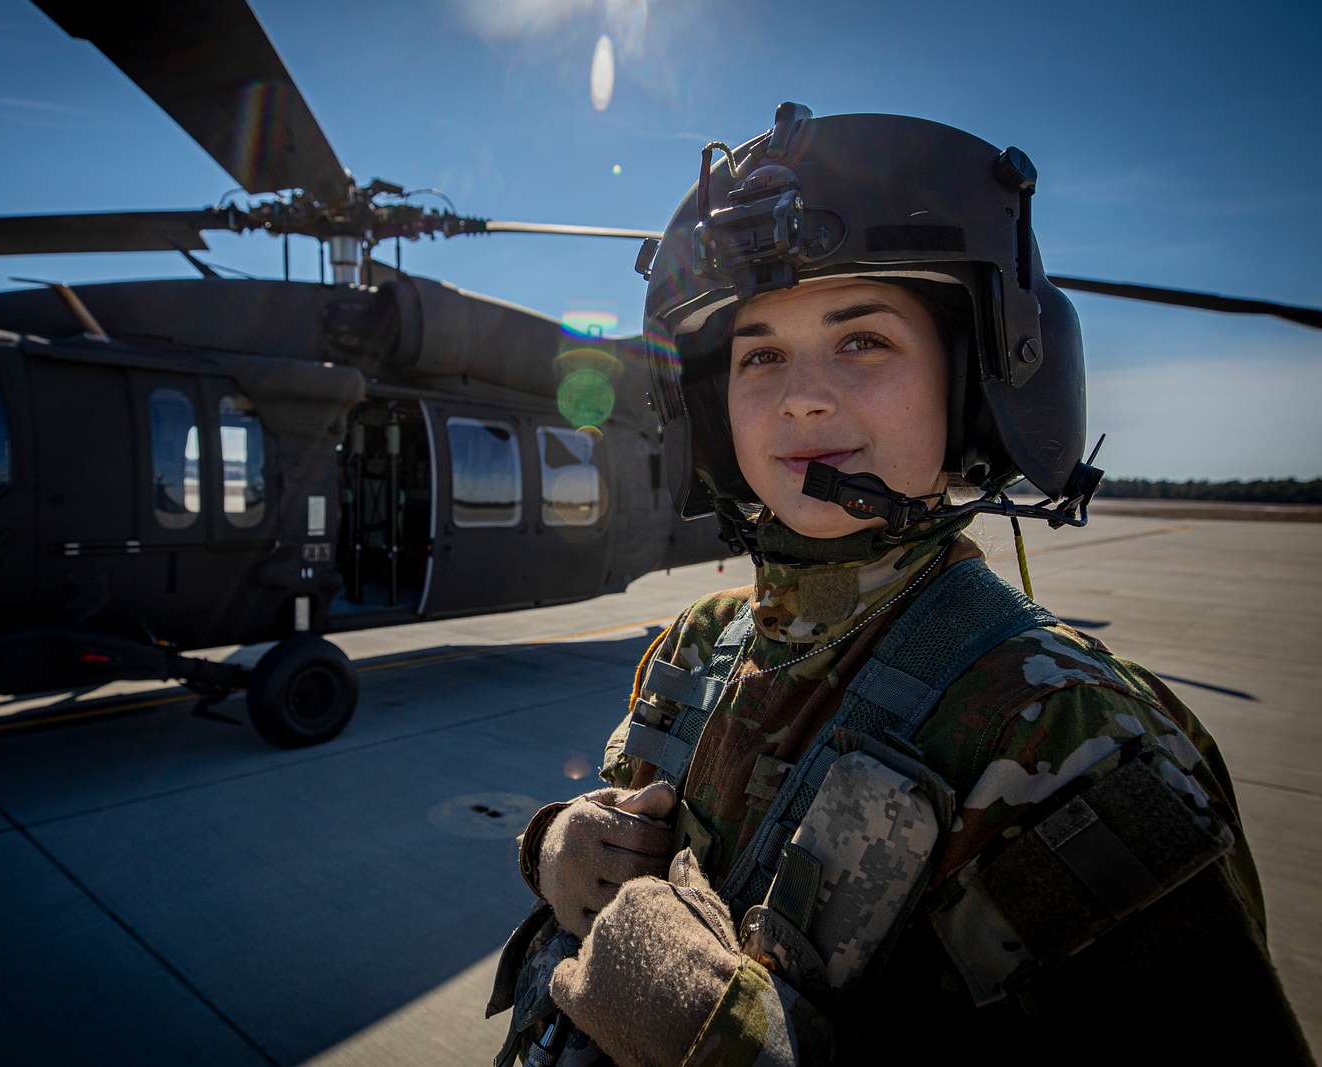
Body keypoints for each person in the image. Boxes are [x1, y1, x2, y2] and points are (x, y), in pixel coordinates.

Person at [488, 104, 1314, 1066]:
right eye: (759, 355)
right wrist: (559, 852)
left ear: (970, 380)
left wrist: (724, 1039)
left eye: (863, 340)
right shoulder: (702, 643)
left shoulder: (1070, 736)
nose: (802, 395)